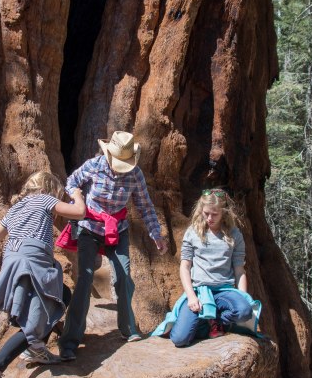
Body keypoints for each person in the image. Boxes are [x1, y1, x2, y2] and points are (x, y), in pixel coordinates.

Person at [57, 131, 168, 361]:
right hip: (90, 226)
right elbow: (72, 182)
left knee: (123, 276)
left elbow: (145, 206)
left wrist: (156, 235)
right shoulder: (94, 165)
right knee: (85, 278)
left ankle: (128, 328)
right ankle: (69, 341)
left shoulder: (135, 174)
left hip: (117, 228)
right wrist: (77, 198)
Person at [0, 171, 86, 378]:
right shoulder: (44, 199)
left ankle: (36, 348)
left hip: (14, 263)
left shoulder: (15, 209)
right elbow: (79, 212)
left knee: (62, 294)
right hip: (32, 263)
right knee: (33, 321)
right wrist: (77, 195)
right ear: (47, 189)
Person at [150, 188, 253, 347]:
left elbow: (239, 270)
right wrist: (191, 296)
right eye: (206, 213)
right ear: (201, 210)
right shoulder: (193, 232)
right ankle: (204, 322)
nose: (210, 218)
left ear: (224, 213)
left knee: (244, 311)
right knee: (180, 339)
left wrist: (243, 297)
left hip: (224, 291)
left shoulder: (234, 235)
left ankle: (216, 320)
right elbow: (185, 267)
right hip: (199, 291)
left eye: (215, 214)